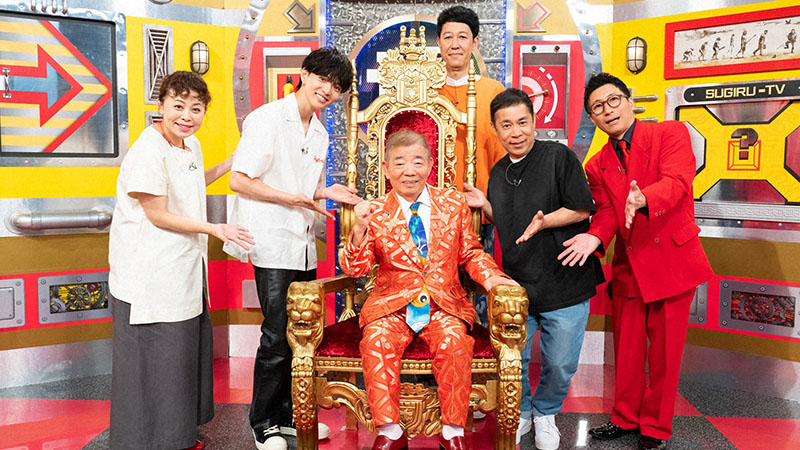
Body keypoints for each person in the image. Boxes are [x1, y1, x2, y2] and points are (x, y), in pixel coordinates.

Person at [559, 73, 713, 450]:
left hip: (671, 261)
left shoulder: (669, 133)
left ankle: (656, 427)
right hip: (630, 265)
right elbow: (608, 212)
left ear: (630, 101)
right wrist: (595, 236)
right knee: (626, 352)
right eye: (598, 107)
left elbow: (678, 182)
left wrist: (644, 198)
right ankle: (624, 417)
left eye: (613, 100)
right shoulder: (596, 165)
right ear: (592, 118)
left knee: (664, 356)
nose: (608, 110)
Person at [340, 129, 516, 450]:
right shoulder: (373, 211)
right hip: (391, 306)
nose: (409, 170)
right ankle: (390, 431)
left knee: (454, 341)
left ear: (431, 164)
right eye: (400, 163)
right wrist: (359, 229)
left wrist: (493, 279)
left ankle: (452, 432)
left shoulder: (453, 204)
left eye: (418, 162)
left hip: (443, 305)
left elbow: (470, 253)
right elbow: (356, 269)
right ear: (386, 169)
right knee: (377, 340)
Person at [108, 71, 254, 450]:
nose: (186, 116)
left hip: (182, 270)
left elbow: (189, 183)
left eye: (196, 108)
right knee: (157, 360)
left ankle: (177, 435)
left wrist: (230, 164)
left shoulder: (190, 145)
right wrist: (215, 228)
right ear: (160, 106)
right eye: (178, 106)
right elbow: (157, 214)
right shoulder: (147, 150)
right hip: (149, 275)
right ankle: (152, 440)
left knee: (179, 358)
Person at [224, 48, 361, 450]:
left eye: (336, 87)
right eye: (323, 80)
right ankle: (263, 422)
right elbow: (239, 179)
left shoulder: (319, 131)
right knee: (276, 335)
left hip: (301, 242)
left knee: (300, 333)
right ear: (304, 74)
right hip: (271, 240)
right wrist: (292, 198)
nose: (328, 90)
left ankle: (288, 417)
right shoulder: (266, 118)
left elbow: (301, 186)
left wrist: (325, 191)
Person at [465, 89, 604, 450]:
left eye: (522, 122)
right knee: (514, 359)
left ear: (534, 121)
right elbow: (511, 222)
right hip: (518, 285)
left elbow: (581, 208)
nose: (516, 132)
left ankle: (546, 412)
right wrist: (486, 206)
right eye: (506, 125)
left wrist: (545, 222)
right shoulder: (498, 172)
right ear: (495, 128)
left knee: (560, 364)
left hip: (565, 279)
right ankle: (522, 410)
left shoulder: (558, 156)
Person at [436, 5, 507, 329]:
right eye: (448, 37)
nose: (455, 44)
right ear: (439, 42)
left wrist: (494, 206)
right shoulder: (424, 90)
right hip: (431, 214)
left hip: (478, 212)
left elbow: (503, 156)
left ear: (475, 42)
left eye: (462, 37)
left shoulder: (494, 92)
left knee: (478, 294)